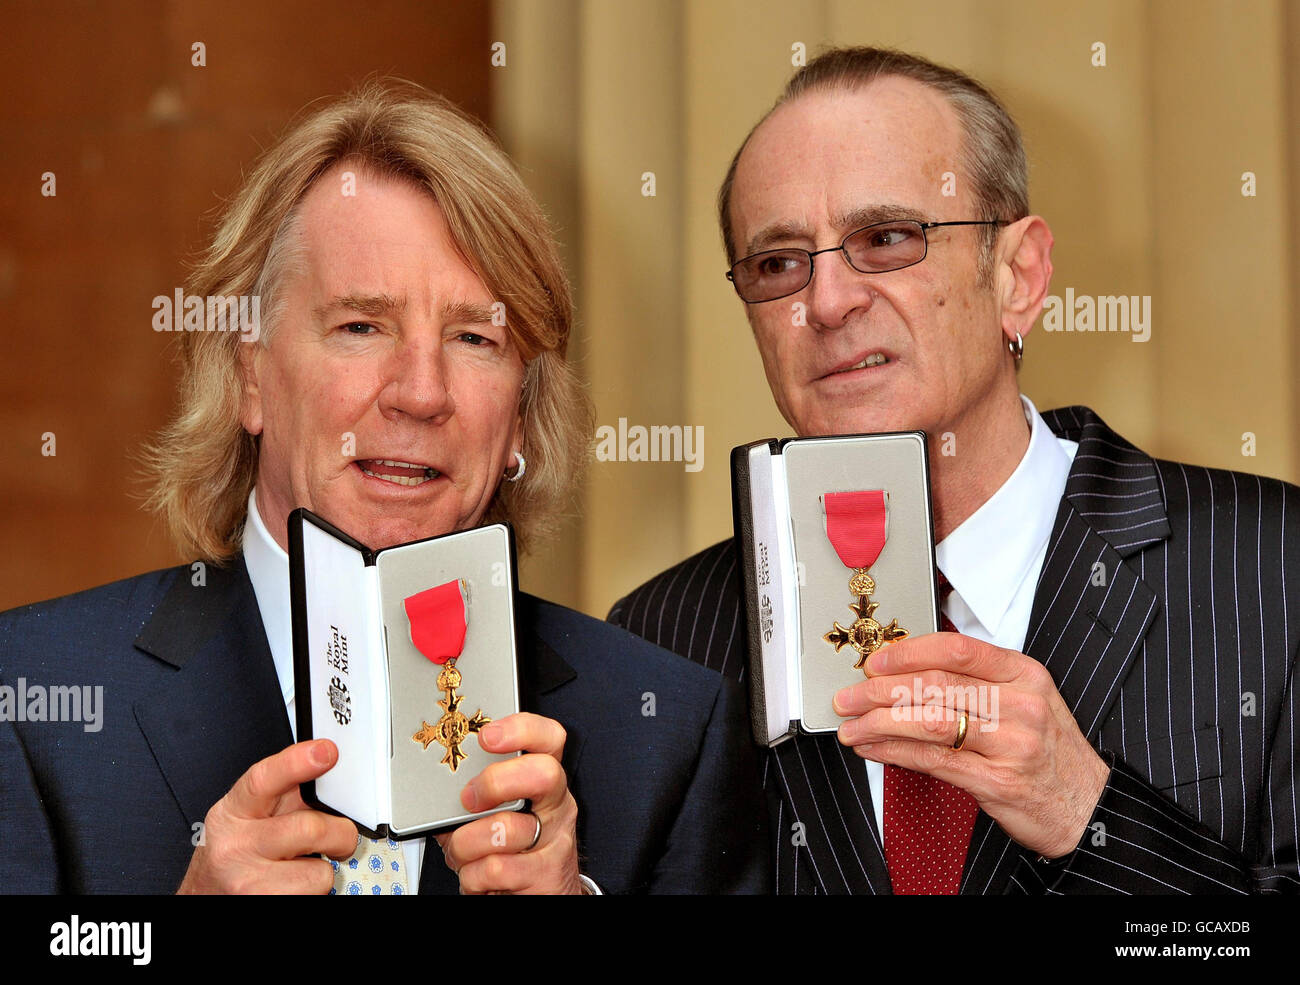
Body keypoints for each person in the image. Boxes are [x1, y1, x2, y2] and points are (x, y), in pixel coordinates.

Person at [0, 81, 768, 895]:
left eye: (474, 337)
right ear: (249, 374)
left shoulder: (667, 731)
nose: (421, 392)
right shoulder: (30, 699)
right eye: (362, 326)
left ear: (518, 414)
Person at [609, 46, 1299, 894]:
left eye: (888, 238)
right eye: (779, 262)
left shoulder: (1273, 572)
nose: (826, 302)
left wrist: (1093, 815)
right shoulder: (665, 638)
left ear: (1019, 276)